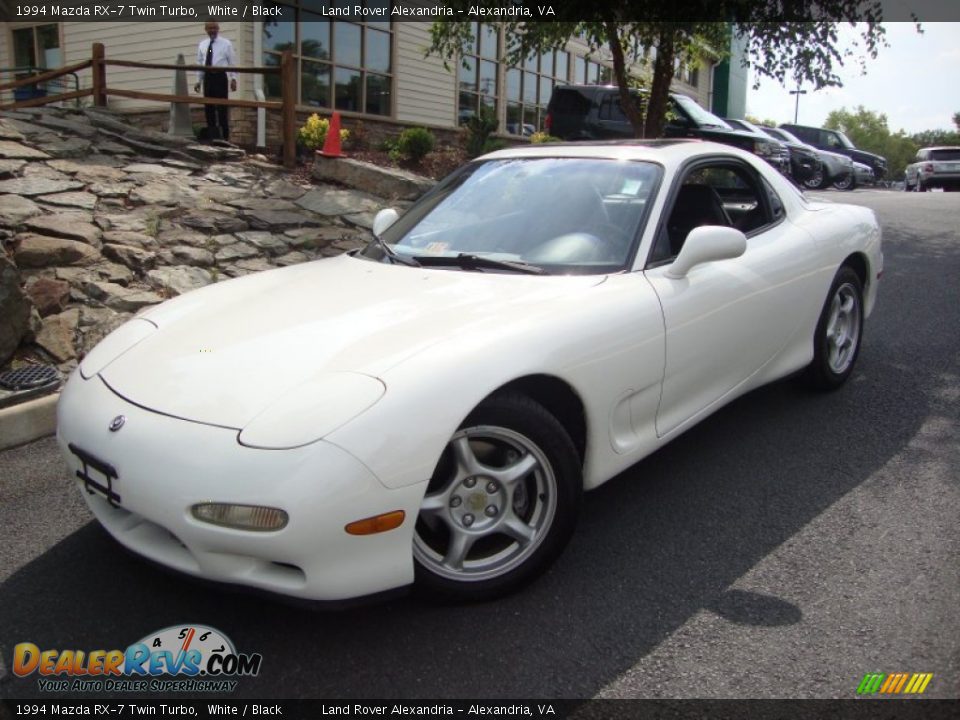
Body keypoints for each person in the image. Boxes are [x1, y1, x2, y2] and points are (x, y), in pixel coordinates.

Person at [194, 22, 237, 141]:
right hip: (208, 78)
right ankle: (212, 135)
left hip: (220, 77)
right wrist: (198, 81)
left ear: (218, 29)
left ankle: (225, 136)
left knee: (222, 106)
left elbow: (232, 62)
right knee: (209, 107)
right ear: (206, 29)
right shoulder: (202, 44)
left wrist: (233, 79)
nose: (212, 30)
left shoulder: (226, 43)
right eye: (210, 28)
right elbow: (200, 63)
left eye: (214, 28)